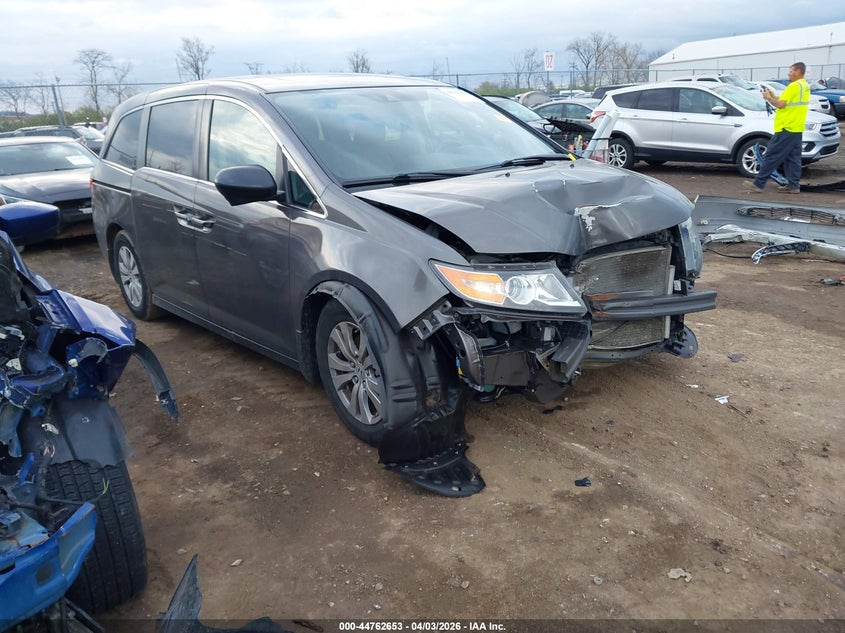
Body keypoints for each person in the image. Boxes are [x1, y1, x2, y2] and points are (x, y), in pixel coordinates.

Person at [743, 62, 810, 194]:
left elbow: (780, 105)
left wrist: (769, 98)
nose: (788, 73)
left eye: (791, 71)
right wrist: (773, 96)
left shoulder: (793, 86)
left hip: (786, 127)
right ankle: (793, 185)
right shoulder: (804, 86)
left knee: (771, 155)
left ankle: (758, 183)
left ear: (798, 72)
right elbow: (787, 102)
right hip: (796, 128)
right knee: (793, 158)